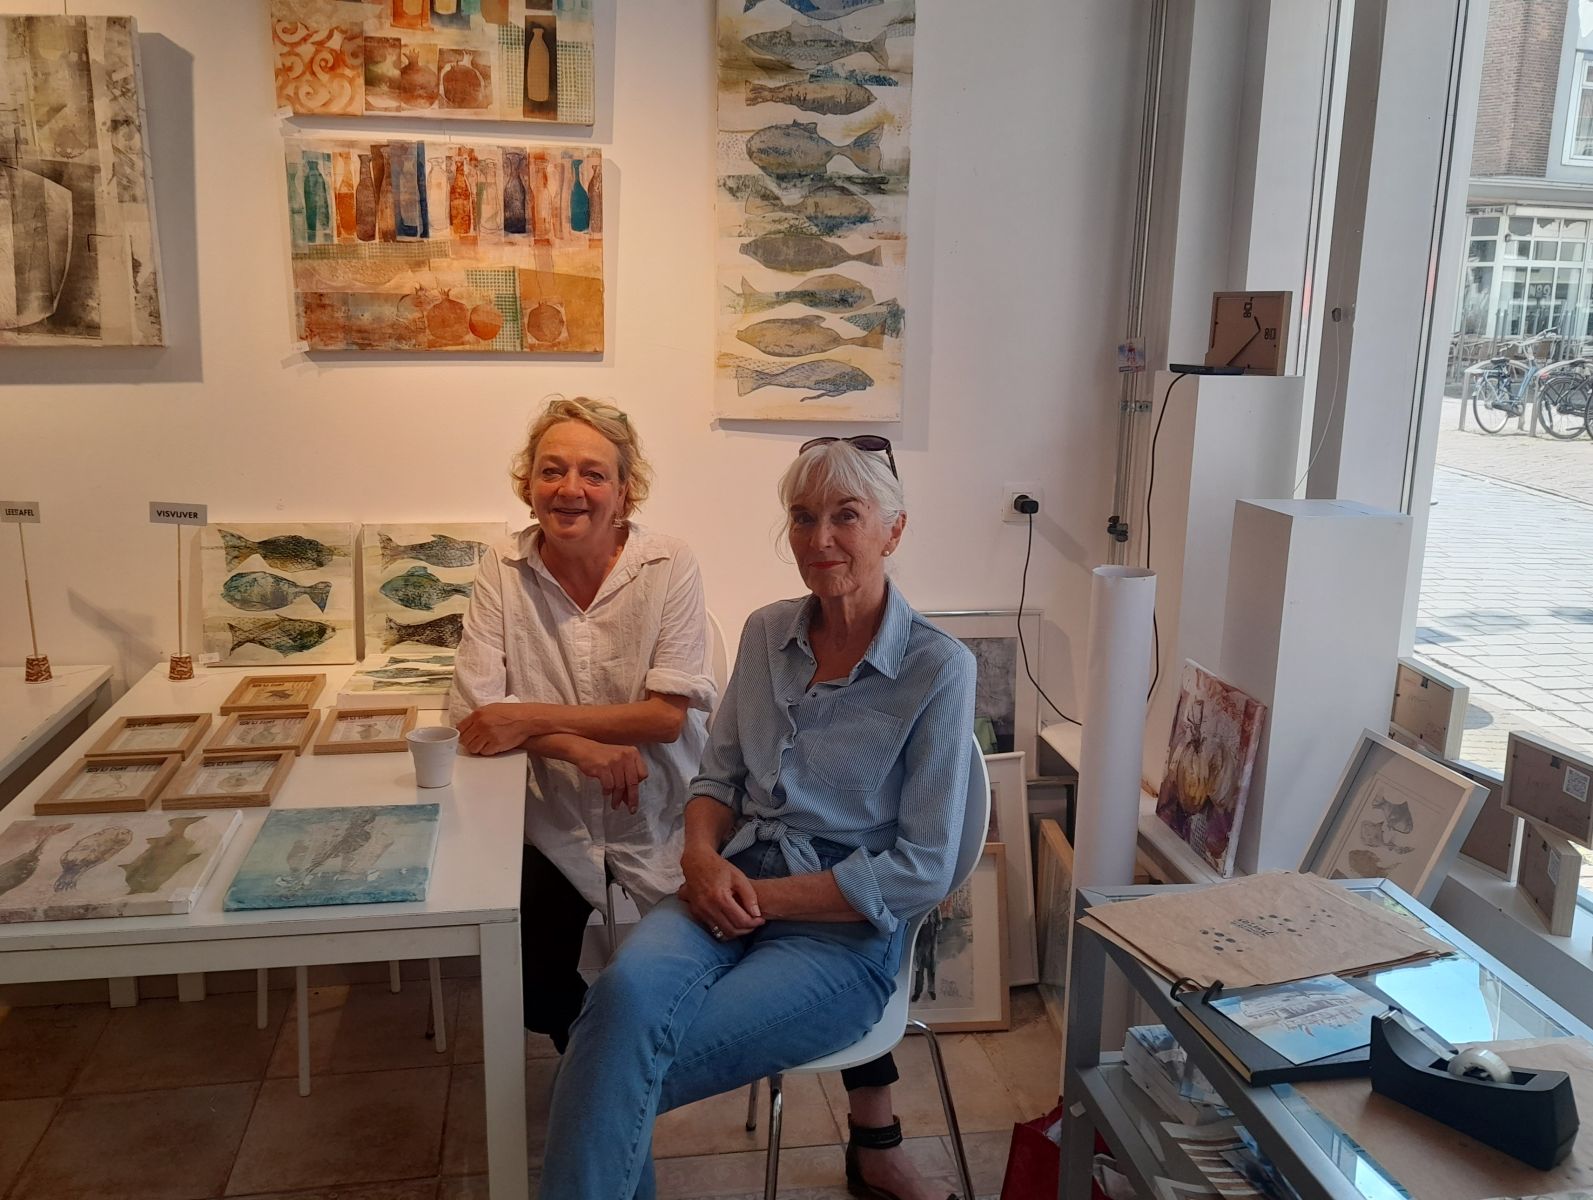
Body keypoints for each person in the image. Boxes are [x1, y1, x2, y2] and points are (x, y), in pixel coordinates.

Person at [540, 436, 977, 1200]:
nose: (820, 538)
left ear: (893, 530)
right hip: (726, 883)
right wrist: (700, 860)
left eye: (846, 516)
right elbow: (717, 776)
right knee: (615, 1005)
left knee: (606, 1070)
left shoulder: (938, 667)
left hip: (837, 936)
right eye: (802, 518)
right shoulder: (766, 633)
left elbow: (922, 870)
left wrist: (760, 898)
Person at [448, 396, 716, 1052]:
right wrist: (580, 749)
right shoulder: (501, 568)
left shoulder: (669, 564)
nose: (570, 489)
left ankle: (631, 1060)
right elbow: (474, 716)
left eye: (593, 474)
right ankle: (593, 1060)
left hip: (662, 811)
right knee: (530, 988)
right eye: (552, 470)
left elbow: (663, 717)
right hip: (553, 820)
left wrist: (527, 717)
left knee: (700, 974)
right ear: (528, 484)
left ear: (624, 492)